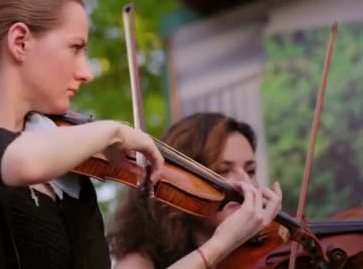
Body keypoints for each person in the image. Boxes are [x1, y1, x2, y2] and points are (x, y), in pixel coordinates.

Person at [0, 0, 276, 269]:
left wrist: (219, 246)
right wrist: (113, 130)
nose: (86, 72)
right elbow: (16, 160)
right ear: (20, 42)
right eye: (75, 48)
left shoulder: (73, 179)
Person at [107, 112, 283, 269]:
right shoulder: (141, 262)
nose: (246, 183)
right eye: (222, 170)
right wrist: (221, 244)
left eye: (250, 170)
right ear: (180, 180)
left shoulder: (274, 252)